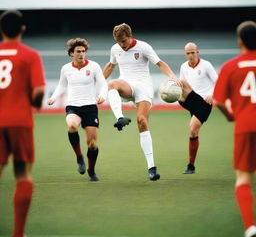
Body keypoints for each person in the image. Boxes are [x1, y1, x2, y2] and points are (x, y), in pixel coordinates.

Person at [103, 23, 180, 181]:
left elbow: (159, 63)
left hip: (144, 87)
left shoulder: (144, 47)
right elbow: (111, 66)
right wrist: (98, 84)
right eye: (118, 42)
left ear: (130, 36)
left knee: (142, 121)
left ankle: (151, 167)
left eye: (123, 41)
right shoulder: (115, 49)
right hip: (127, 84)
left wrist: (172, 76)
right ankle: (120, 118)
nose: (121, 45)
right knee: (112, 84)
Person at [0, 10, 45, 237]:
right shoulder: (30, 55)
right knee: (22, 175)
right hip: (19, 121)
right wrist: (32, 101)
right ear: (22, 30)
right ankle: (18, 234)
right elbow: (38, 92)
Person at [213, 21, 256, 237]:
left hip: (245, 126)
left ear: (239, 41)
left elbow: (218, 101)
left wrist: (232, 117)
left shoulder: (230, 66)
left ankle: (250, 227)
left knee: (243, 179)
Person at [47, 38, 108, 182]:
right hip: (73, 105)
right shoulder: (66, 68)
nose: (81, 54)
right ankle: (79, 157)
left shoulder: (94, 66)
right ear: (71, 54)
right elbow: (62, 86)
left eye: (83, 51)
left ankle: (91, 171)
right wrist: (53, 97)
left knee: (92, 144)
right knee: (72, 125)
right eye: (78, 52)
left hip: (90, 107)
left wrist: (102, 95)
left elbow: (103, 84)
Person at [178, 42, 218, 174]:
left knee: (193, 129)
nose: (190, 55)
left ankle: (191, 166)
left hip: (204, 102)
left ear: (197, 52)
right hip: (192, 100)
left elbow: (217, 82)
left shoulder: (206, 65)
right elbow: (182, 85)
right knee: (179, 83)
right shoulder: (183, 66)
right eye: (188, 53)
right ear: (185, 54)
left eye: (193, 52)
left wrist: (211, 94)